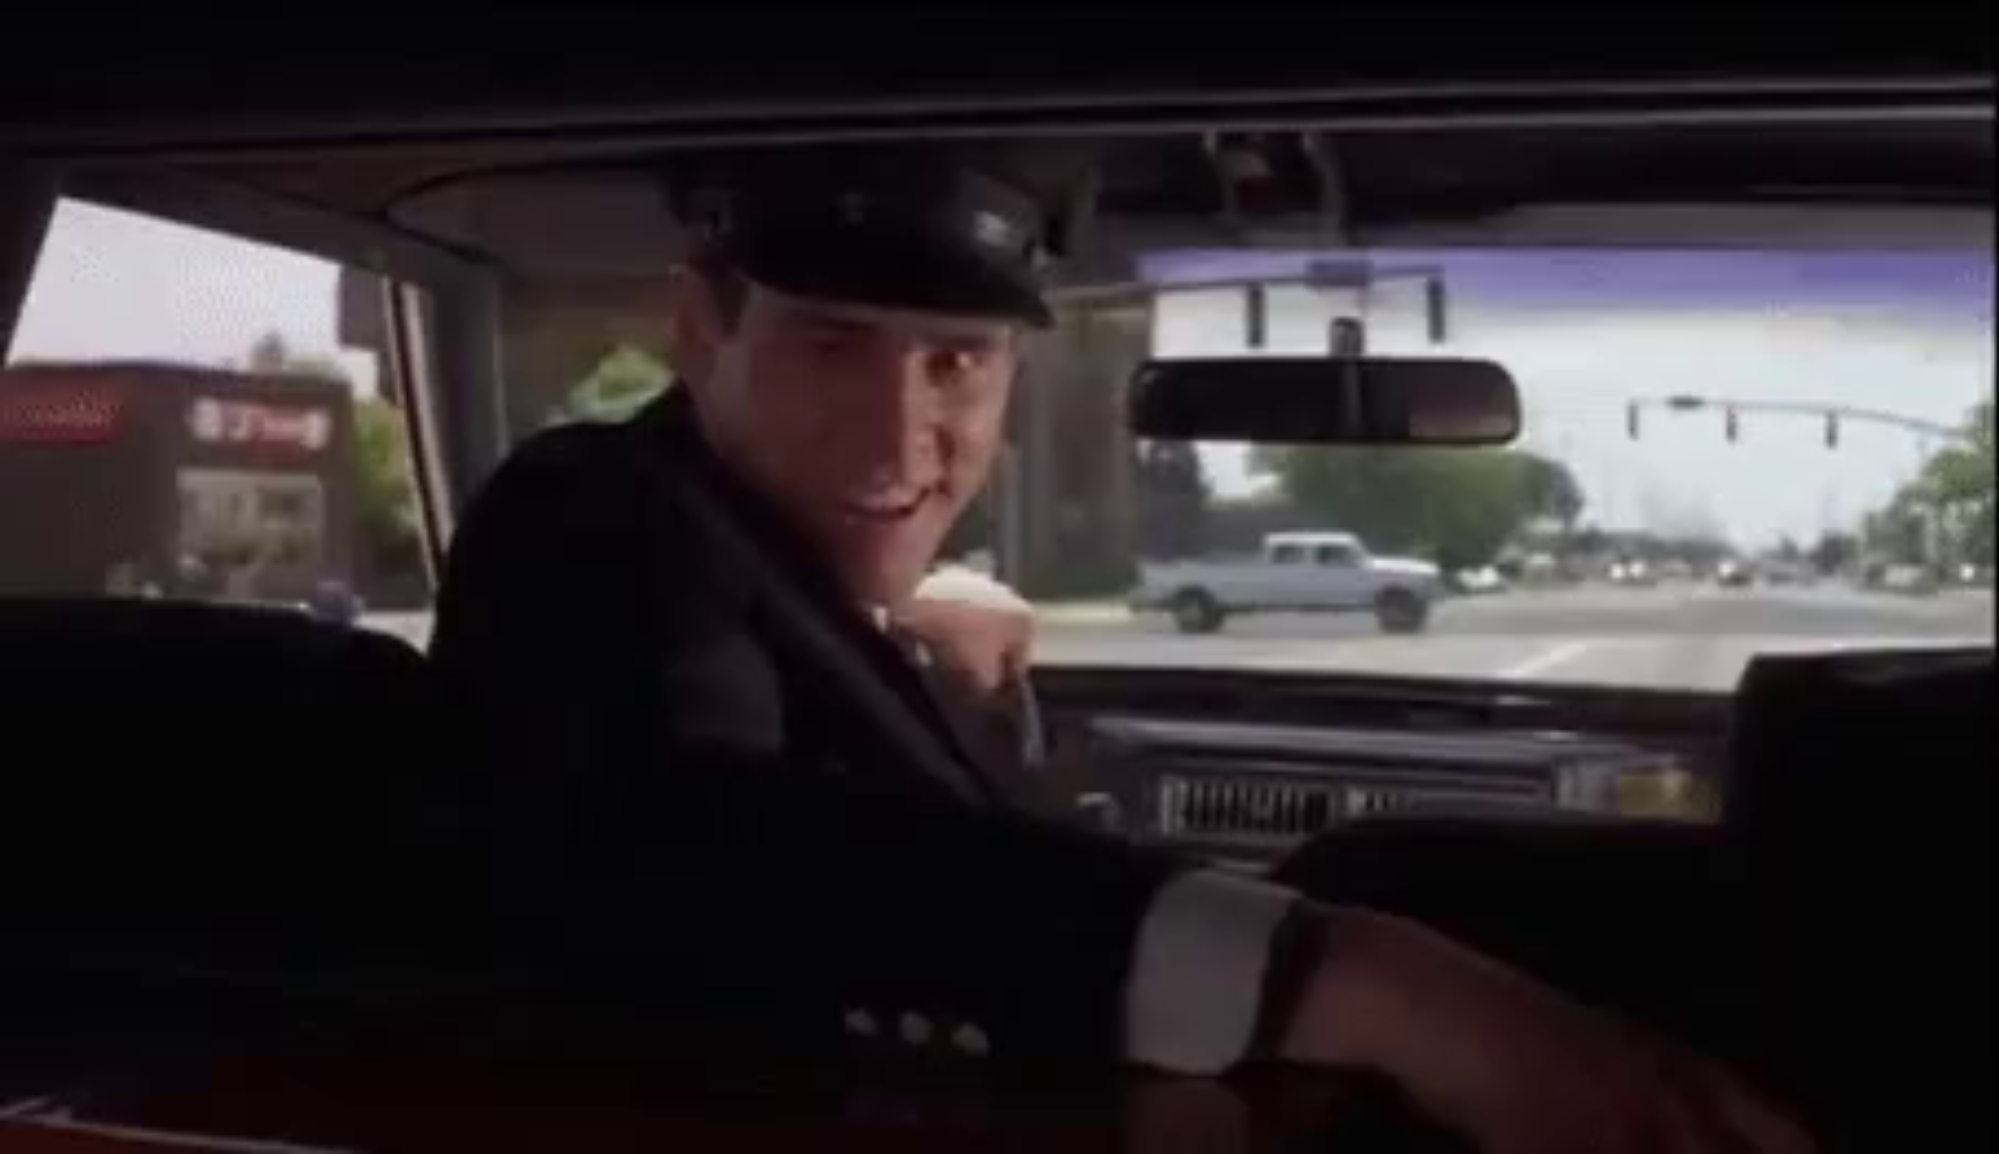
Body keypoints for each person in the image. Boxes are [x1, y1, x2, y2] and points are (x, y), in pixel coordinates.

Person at [428, 143, 1808, 1154]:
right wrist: (1352, 976)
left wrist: (941, 686)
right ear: (699, 332)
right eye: (833, 345)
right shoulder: (587, 508)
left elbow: (925, 850)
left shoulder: (804, 594)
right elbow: (698, 855)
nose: (899, 440)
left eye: (957, 360)